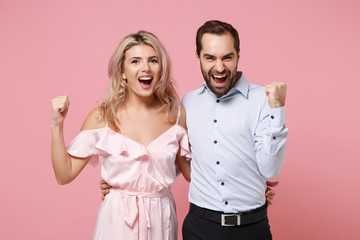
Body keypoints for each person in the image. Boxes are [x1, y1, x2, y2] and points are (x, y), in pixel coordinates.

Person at [51, 31, 192, 240]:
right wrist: (57, 124)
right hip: (117, 222)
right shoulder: (102, 117)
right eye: (135, 61)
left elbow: (193, 175)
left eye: (153, 60)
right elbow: (64, 175)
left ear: (161, 68)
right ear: (122, 72)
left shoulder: (177, 116)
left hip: (162, 220)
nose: (146, 67)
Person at [180, 20, 288, 240]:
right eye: (210, 57)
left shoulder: (263, 100)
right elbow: (173, 155)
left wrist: (278, 108)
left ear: (238, 55)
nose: (219, 68)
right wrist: (117, 179)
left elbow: (270, 170)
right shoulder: (188, 102)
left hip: (251, 229)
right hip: (199, 227)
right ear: (197, 57)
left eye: (227, 57)